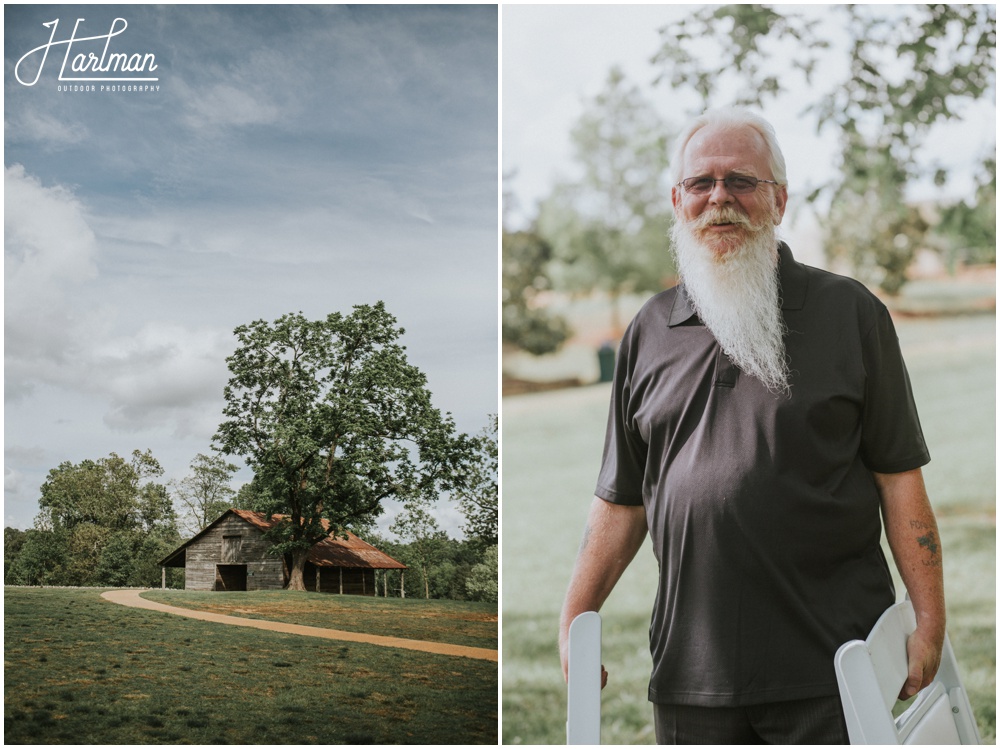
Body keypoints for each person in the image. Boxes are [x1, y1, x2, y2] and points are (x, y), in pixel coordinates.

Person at [558, 107, 945, 744]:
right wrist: (576, 617)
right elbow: (622, 501)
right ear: (677, 202)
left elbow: (899, 479)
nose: (720, 199)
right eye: (701, 184)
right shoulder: (648, 331)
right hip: (690, 678)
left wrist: (928, 617)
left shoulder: (850, 313)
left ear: (779, 200)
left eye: (741, 181)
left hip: (836, 668)